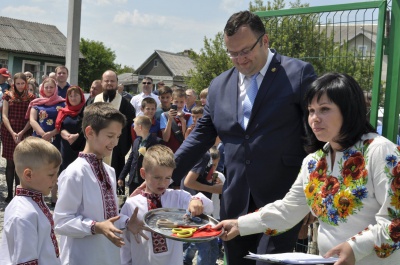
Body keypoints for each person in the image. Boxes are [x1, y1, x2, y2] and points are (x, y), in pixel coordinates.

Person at [171, 10, 317, 265]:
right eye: (232, 53)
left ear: (265, 41)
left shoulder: (298, 73)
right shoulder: (219, 86)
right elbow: (201, 136)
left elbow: (316, 135)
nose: (239, 59)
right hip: (235, 200)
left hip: (281, 198)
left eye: (245, 51)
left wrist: (315, 192)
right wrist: (165, 171)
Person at [215, 72, 400, 265]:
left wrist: (354, 248)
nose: (314, 118)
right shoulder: (313, 162)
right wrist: (239, 224)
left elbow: (395, 221)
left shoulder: (381, 152)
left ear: (349, 110)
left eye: (325, 109)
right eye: (311, 110)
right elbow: (288, 210)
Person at [54, 102, 149, 265]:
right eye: (110, 136)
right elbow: (61, 222)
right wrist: (96, 227)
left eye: (118, 137)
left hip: (108, 256)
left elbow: (107, 218)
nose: (115, 142)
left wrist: (126, 222)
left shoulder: (109, 171)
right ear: (90, 132)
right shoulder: (75, 172)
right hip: (81, 258)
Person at [120, 144, 213, 265]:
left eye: (167, 178)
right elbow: (124, 243)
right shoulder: (131, 204)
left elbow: (208, 207)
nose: (163, 183)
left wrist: (196, 200)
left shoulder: (177, 197)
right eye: (157, 177)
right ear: (143, 174)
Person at [0, 137, 62, 264]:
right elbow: (25, 260)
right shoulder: (23, 214)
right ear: (28, 175)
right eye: (51, 174)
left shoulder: (34, 201)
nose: (56, 179)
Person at [27, 77, 66, 206]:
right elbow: (32, 120)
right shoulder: (36, 103)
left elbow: (62, 121)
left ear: (55, 89)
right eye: (46, 87)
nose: (49, 89)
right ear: (42, 88)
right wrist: (43, 134)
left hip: (55, 139)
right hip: (39, 139)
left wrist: (52, 133)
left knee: (54, 167)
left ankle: (54, 197)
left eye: (51, 87)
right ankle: (37, 195)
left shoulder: (62, 103)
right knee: (38, 167)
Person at [94, 70, 135, 182]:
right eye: (106, 81)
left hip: (115, 151)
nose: (109, 83)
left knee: (114, 183)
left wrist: (122, 148)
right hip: (96, 147)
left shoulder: (125, 105)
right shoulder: (94, 101)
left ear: (117, 83)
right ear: (101, 83)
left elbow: (129, 128)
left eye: (112, 81)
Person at [1, 73, 36, 203]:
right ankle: (9, 193)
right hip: (8, 131)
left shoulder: (31, 97)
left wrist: (21, 132)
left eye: (22, 83)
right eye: (18, 83)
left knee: (20, 164)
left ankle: (18, 193)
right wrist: (12, 132)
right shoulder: (7, 96)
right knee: (10, 163)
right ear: (13, 84)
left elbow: (32, 117)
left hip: (24, 131)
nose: (20, 86)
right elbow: (4, 116)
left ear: (26, 83)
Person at [118, 115, 164, 195]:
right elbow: (130, 159)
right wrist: (122, 176)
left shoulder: (157, 142)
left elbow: (159, 162)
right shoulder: (136, 141)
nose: (133, 128)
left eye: (134, 125)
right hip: (133, 181)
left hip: (146, 181)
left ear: (140, 127)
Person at [55, 86, 86, 172]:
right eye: (70, 96)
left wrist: (78, 136)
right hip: (66, 147)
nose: (73, 98)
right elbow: (60, 127)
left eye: (76, 95)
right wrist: (67, 135)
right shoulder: (63, 111)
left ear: (81, 96)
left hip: (82, 147)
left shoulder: (86, 110)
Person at [160, 88, 193, 153]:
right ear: (171, 100)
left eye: (181, 102)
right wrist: (170, 120)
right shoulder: (164, 115)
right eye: (176, 102)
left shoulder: (189, 116)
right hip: (169, 151)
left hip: (183, 151)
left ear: (185, 101)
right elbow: (165, 138)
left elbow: (186, 138)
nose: (179, 105)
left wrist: (183, 122)